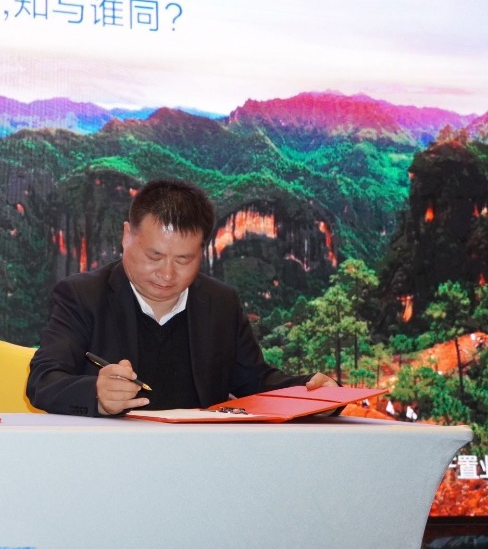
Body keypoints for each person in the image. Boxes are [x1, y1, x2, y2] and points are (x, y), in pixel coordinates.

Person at [26, 178, 336, 417]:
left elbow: (255, 382)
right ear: (126, 236)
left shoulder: (220, 302)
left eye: (184, 260)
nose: (167, 274)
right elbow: (43, 380)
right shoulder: (83, 296)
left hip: (199, 459)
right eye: (154, 256)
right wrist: (96, 392)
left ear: (202, 252)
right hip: (112, 460)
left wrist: (313, 393)